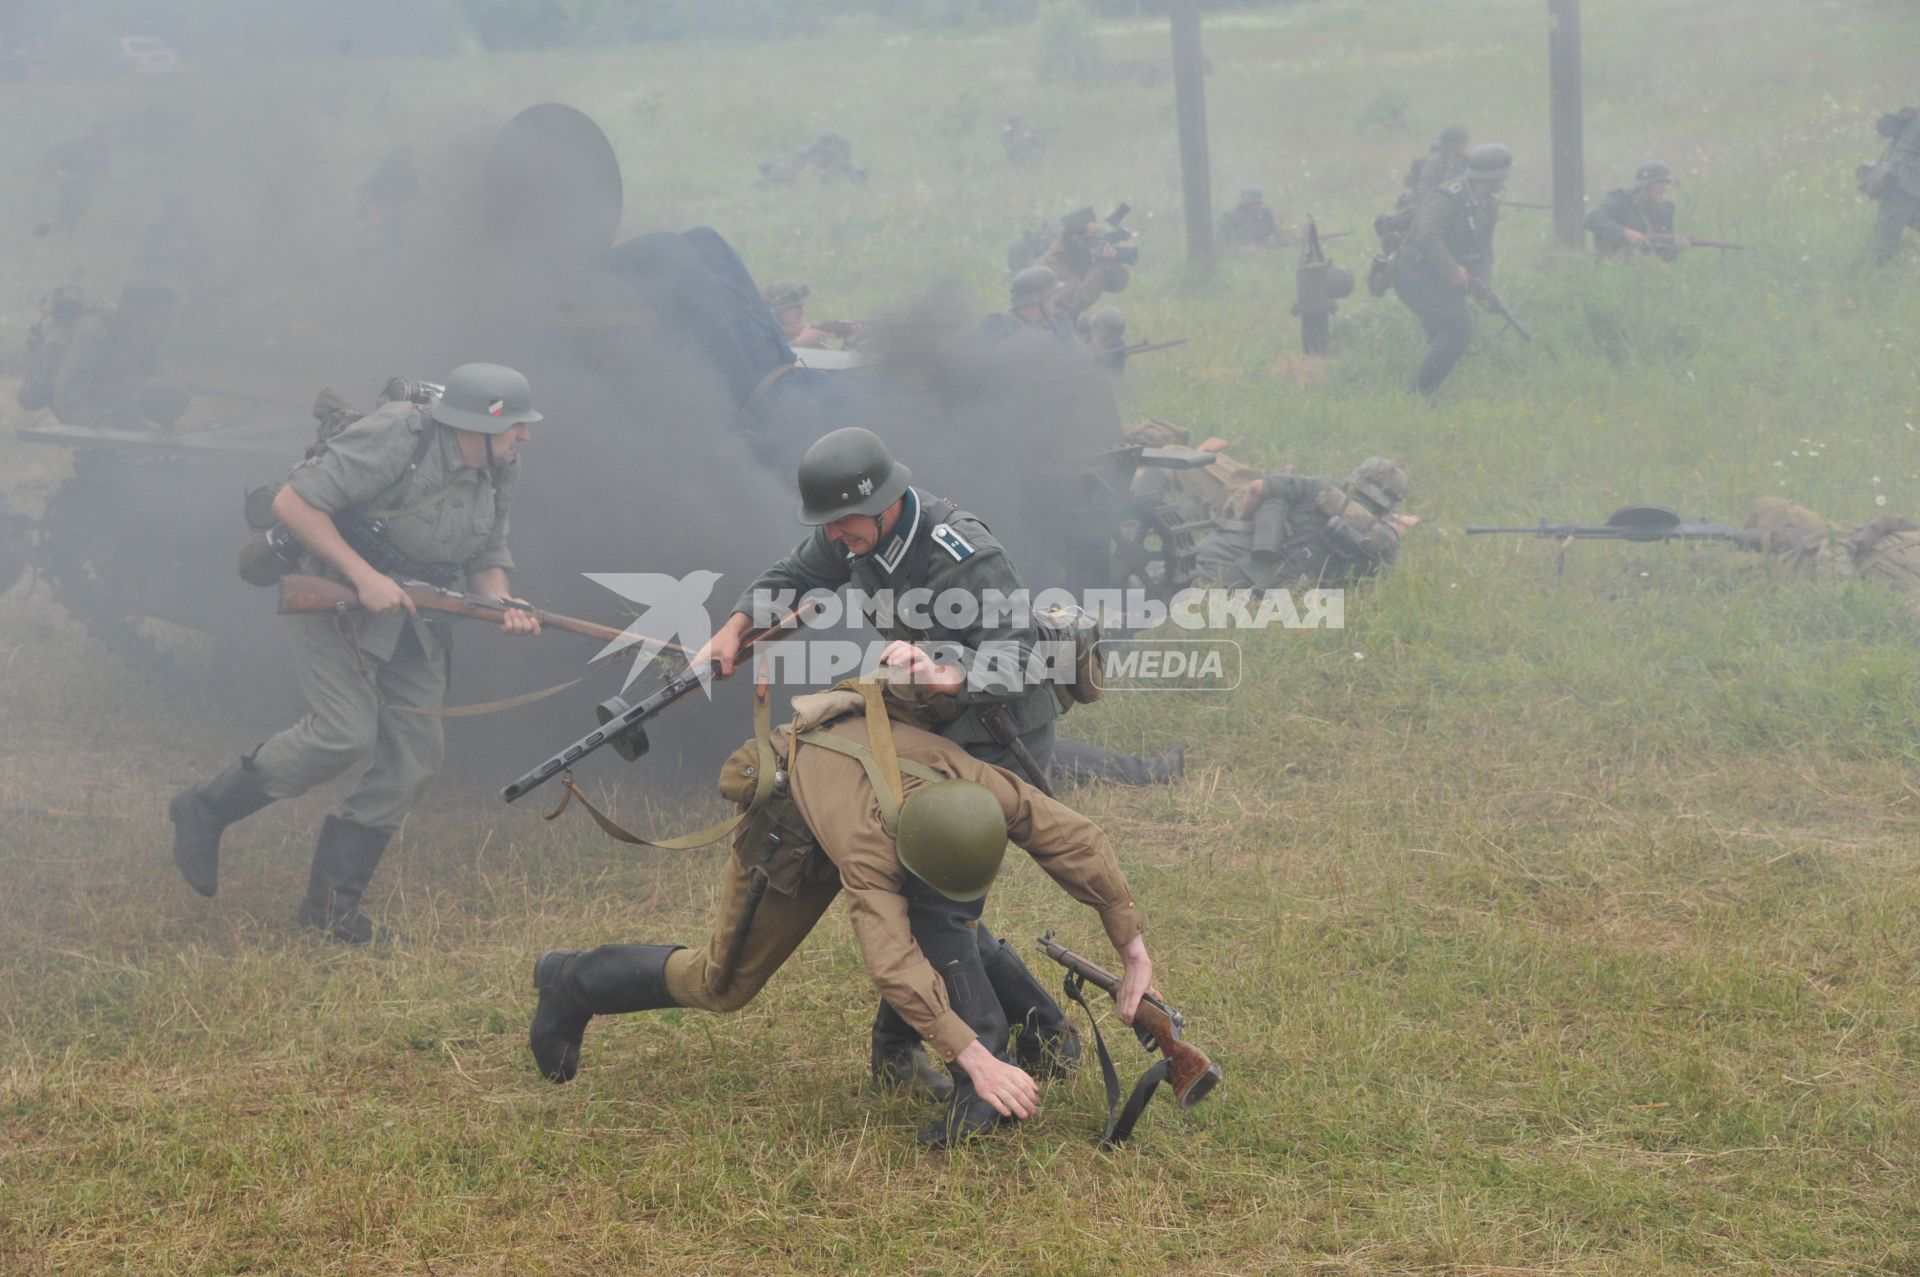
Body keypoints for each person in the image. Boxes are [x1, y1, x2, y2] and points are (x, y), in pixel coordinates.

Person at [695, 429, 1177, 1100]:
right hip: (935, 727)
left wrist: (946, 672)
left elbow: (1019, 659)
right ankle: (1030, 1033)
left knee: (938, 908)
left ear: (886, 503)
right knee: (935, 900)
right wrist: (739, 621)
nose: (836, 539)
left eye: (844, 524)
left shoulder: (964, 551)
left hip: (1001, 727)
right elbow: (794, 576)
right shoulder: (851, 536)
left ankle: (980, 1051)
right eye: (828, 526)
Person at [527, 679, 1154, 1148]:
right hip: (794, 821)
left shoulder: (981, 785)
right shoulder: (870, 851)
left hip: (866, 781)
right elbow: (891, 961)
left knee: (945, 921)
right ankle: (570, 981)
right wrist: (973, 1054)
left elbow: (1077, 840)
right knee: (722, 985)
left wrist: (1130, 947)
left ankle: (901, 1056)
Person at [165, 364, 545, 944]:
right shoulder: (399, 435)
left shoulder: (501, 465)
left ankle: (329, 911)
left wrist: (500, 604)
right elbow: (296, 504)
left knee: (417, 758)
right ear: (478, 423)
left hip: (414, 613)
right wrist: (364, 577)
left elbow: (488, 547)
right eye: (516, 425)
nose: (525, 436)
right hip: (335, 595)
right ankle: (206, 808)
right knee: (343, 733)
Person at [1390, 142, 1510, 397]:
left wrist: (1483, 288)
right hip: (1413, 275)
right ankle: (1415, 394)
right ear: (1492, 177)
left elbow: (1483, 252)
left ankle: (1425, 394)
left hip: (1439, 279)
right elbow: (1426, 237)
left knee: (1443, 332)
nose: (1506, 178)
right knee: (1459, 327)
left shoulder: (1488, 205)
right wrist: (1453, 270)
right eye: (1503, 174)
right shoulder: (1448, 196)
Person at [1194, 457, 1412, 590]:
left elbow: (1256, 489)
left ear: (1357, 478)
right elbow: (1368, 590)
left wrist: (1241, 525)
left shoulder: (1323, 487)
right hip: (1282, 600)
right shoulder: (1386, 544)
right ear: (1391, 503)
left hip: (1224, 569)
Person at [49, 280, 190, 431]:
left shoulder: (142, 337)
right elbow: (67, 392)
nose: (167, 329)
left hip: (112, 411)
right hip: (86, 415)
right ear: (140, 316)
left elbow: (155, 380)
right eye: (164, 321)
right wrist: (98, 426)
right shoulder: (94, 332)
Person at [1039, 208, 1132, 322]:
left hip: (1068, 321)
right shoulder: (1052, 263)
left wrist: (1110, 263)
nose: (1095, 240)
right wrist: (1098, 266)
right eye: (1092, 236)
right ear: (1076, 237)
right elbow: (1079, 300)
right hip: (1047, 323)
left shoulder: (1082, 250)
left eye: (1097, 233)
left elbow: (1118, 285)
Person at [1584, 161, 1686, 261]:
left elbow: (1661, 257)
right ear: (1644, 186)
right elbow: (1590, 218)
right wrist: (1625, 233)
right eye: (1659, 183)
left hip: (1644, 269)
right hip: (1612, 265)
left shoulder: (1666, 209)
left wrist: (1674, 249)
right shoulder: (1620, 200)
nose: (1665, 188)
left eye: (1666, 183)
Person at [1860, 106, 1920, 265]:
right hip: (1902, 184)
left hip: (1906, 184)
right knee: (1883, 245)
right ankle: (1862, 275)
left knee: (1886, 237)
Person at [39, 123, 110, 234]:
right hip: (66, 177)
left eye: (106, 135)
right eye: (102, 134)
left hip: (83, 181)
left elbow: (103, 169)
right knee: (68, 202)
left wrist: (101, 176)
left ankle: (66, 228)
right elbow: (52, 152)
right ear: (94, 133)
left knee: (84, 203)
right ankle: (59, 229)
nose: (104, 138)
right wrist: (55, 170)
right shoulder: (77, 142)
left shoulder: (104, 149)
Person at [980, 266, 1077, 344]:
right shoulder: (1000, 331)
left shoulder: (1055, 323)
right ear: (1036, 299)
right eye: (1052, 294)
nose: (1057, 298)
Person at [761, 279, 861, 350]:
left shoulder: (812, 338)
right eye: (795, 307)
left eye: (802, 306)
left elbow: (835, 376)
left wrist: (849, 344)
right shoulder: (761, 336)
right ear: (777, 311)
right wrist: (799, 344)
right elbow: (765, 363)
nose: (802, 312)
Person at [1399, 126, 1470, 210]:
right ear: (1452, 145)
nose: (1465, 147)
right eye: (1463, 144)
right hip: (1433, 206)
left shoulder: (1465, 161)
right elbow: (1424, 192)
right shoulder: (1434, 163)